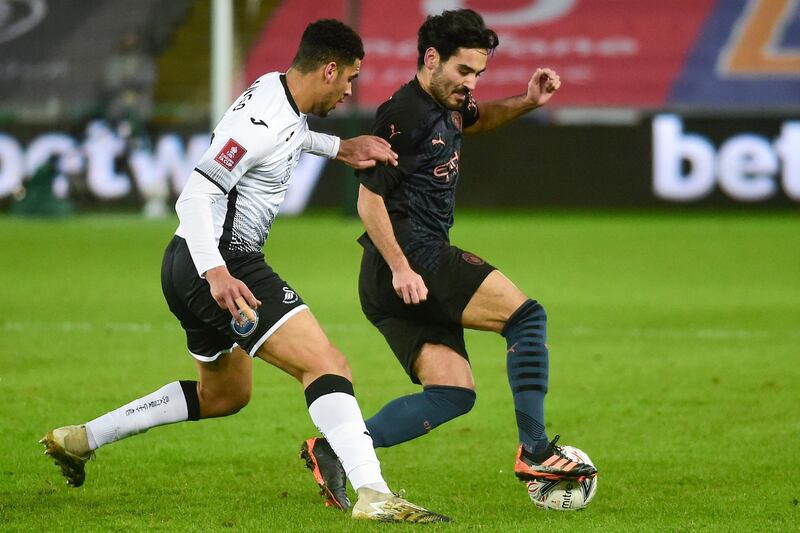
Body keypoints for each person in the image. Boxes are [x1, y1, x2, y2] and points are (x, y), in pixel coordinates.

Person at [40, 19, 449, 524]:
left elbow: (290, 134)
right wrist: (217, 273)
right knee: (327, 364)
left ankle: (84, 438)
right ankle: (374, 492)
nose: (349, 91)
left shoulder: (277, 91)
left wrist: (339, 148)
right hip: (221, 264)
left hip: (185, 264)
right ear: (328, 69)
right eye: (348, 79)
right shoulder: (257, 120)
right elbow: (195, 193)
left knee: (225, 394)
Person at [303, 9, 598, 510]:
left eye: (479, 74)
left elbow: (475, 120)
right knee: (527, 318)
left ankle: (334, 448)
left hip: (387, 279)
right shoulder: (404, 114)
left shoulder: (447, 102)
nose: (471, 84)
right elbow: (368, 200)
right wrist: (402, 266)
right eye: (464, 71)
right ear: (432, 58)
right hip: (412, 258)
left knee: (453, 393)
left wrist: (527, 101)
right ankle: (535, 449)